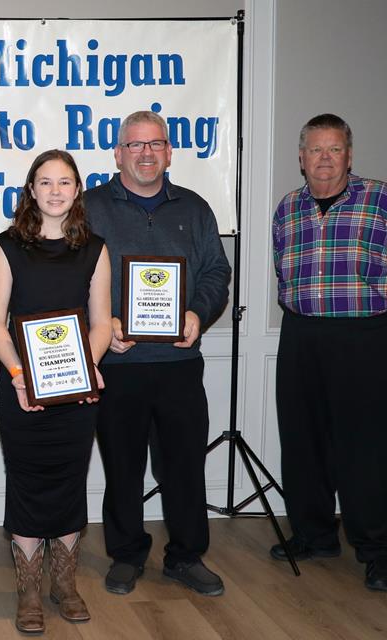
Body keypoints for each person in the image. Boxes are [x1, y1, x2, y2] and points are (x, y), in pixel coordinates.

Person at [271, 113, 387, 592]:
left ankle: (377, 550)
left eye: (334, 149)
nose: (325, 158)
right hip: (302, 335)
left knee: (371, 448)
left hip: (368, 338)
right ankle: (314, 535)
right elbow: (283, 269)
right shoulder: (288, 208)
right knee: (304, 441)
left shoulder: (382, 200)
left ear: (349, 155)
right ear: (301, 158)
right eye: (315, 150)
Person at [85, 110, 232, 597]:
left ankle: (186, 556)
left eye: (155, 144)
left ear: (169, 152)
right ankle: (126, 555)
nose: (145, 153)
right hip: (116, 365)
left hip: (178, 366)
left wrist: (197, 313)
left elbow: (216, 272)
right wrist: (102, 325)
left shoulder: (195, 208)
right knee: (122, 467)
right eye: (135, 144)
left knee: (184, 467)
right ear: (118, 153)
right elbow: (67, 273)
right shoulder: (90, 208)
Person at [0, 150, 112, 633]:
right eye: (45, 182)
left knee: (69, 480)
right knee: (27, 482)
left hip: (76, 392)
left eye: (64, 182)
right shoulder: (7, 247)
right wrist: (19, 373)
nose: (55, 191)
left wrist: (86, 368)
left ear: (77, 190)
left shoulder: (95, 249)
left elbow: (102, 324)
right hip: (22, 389)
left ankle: (65, 584)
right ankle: (29, 592)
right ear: (31, 191)